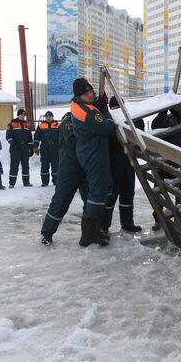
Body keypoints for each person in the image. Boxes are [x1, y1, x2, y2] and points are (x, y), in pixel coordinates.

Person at [70, 77, 115, 247]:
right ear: (79, 95)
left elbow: (92, 107)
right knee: (98, 192)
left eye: (91, 92)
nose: (90, 95)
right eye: (86, 93)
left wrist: (98, 104)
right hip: (94, 155)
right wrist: (105, 110)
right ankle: (88, 236)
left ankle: (96, 231)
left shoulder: (79, 105)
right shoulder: (88, 113)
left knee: (101, 189)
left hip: (90, 152)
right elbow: (107, 127)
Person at [40, 112, 88, 245]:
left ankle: (90, 233)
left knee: (90, 201)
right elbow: (74, 141)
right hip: (69, 169)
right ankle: (47, 233)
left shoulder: (87, 120)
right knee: (61, 200)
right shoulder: (68, 121)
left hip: (85, 167)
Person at [99, 96, 144, 236]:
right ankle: (104, 226)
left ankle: (127, 223)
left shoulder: (133, 119)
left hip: (129, 163)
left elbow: (140, 133)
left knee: (128, 193)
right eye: (114, 108)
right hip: (112, 164)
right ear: (110, 108)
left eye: (120, 107)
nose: (117, 110)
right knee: (110, 195)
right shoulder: (108, 121)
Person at [150, 108, 181, 230]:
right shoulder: (166, 119)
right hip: (162, 163)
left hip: (179, 164)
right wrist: (162, 112)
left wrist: (180, 116)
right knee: (158, 193)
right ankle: (158, 218)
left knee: (179, 196)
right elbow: (155, 126)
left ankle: (178, 220)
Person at [6, 108, 33, 188]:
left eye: (24, 115)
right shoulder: (12, 124)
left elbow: (29, 137)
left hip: (25, 148)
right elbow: (8, 137)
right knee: (14, 166)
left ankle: (26, 182)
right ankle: (12, 183)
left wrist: (31, 148)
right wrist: (13, 144)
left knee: (25, 166)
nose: (23, 116)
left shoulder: (27, 125)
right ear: (18, 115)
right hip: (15, 149)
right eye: (21, 115)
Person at [34, 111, 60, 186]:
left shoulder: (57, 125)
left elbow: (61, 137)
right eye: (47, 116)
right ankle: (44, 182)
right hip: (44, 147)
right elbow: (36, 137)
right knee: (44, 165)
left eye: (50, 116)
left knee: (55, 165)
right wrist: (35, 146)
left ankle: (56, 181)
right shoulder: (41, 125)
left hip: (55, 147)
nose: (48, 118)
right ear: (45, 117)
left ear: (52, 117)